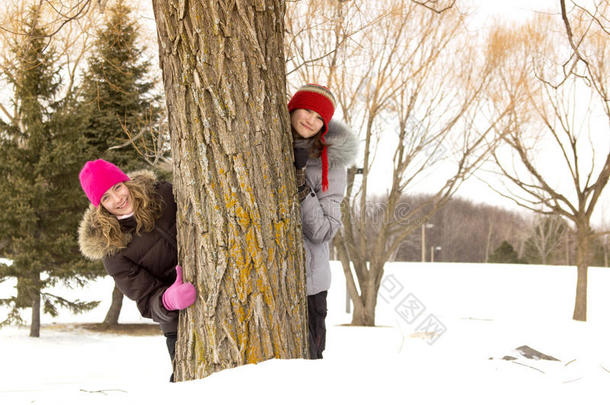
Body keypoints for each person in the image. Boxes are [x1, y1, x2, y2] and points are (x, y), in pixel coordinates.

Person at [77, 159, 196, 380]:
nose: (118, 199)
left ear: (126, 182)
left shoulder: (164, 195)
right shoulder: (113, 250)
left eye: (117, 187)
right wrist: (168, 300)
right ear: (99, 205)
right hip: (180, 324)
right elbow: (146, 299)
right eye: (106, 197)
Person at [288, 84, 359, 359]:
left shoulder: (331, 164)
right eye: (307, 110)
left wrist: (300, 181)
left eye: (320, 118)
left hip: (309, 288)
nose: (311, 121)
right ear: (293, 107)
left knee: (307, 364)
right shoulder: (266, 143)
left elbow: (324, 230)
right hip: (262, 279)